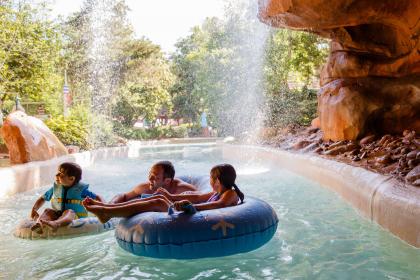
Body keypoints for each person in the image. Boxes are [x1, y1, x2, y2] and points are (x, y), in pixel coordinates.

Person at [82, 163, 244, 223]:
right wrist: (172, 197)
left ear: (217, 180)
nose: (209, 181)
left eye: (211, 178)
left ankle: (106, 212)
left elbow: (218, 205)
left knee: (158, 202)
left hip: (195, 217)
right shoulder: (216, 192)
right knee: (160, 197)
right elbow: (197, 197)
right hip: (190, 211)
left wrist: (188, 207)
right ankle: (106, 208)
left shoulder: (230, 194)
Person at [30, 162, 104, 234]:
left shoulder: (81, 190)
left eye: (61, 174)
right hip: (58, 213)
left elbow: (97, 197)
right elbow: (43, 198)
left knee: (69, 211)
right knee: (48, 211)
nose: (56, 175)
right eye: (58, 172)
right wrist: (34, 209)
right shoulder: (56, 188)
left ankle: (56, 224)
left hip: (74, 216)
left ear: (71, 178)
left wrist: (103, 209)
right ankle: (39, 224)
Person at [109, 161, 197, 204]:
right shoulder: (145, 187)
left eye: (155, 176)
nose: (150, 178)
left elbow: (199, 197)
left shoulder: (181, 189)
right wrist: (112, 204)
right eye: (150, 174)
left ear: (167, 181)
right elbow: (124, 196)